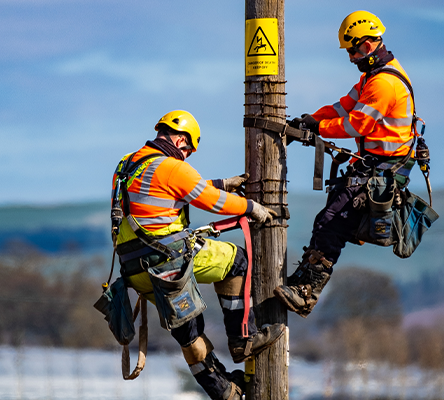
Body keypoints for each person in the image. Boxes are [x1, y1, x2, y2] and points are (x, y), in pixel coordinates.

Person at [112, 110, 284, 400]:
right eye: (189, 149)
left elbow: (168, 192)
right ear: (181, 140)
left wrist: (220, 183)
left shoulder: (128, 163)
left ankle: (224, 391)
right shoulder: (173, 167)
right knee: (236, 260)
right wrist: (250, 207)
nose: (187, 155)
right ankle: (244, 338)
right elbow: (211, 201)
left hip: (136, 269)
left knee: (187, 330)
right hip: (166, 260)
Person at [273, 10, 417, 318]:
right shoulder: (371, 77)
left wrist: (319, 130)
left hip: (381, 172)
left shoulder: (384, 84)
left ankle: (306, 293)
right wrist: (313, 118)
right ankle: (300, 285)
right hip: (372, 167)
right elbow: (344, 105)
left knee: (331, 223)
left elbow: (357, 124)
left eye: (352, 50)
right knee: (327, 221)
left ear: (366, 45)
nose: (350, 57)